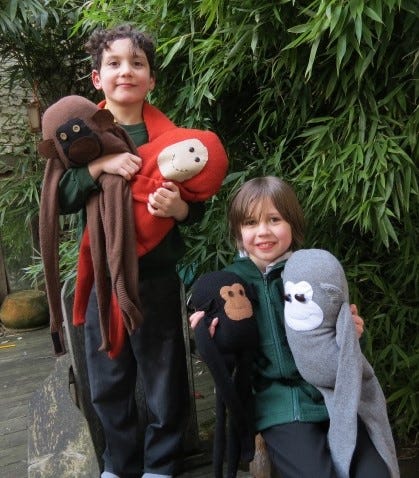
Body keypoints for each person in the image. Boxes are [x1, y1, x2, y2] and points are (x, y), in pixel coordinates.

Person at [58, 24, 206, 478]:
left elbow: (198, 205)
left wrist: (179, 207)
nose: (127, 71)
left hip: (156, 275)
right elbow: (60, 196)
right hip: (103, 275)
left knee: (163, 375)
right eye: (114, 63)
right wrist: (99, 166)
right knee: (107, 377)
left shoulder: (173, 138)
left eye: (137, 63)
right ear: (96, 79)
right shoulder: (80, 136)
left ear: (151, 79)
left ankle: (162, 463)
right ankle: (119, 464)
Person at [190, 176, 392, 478]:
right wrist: (205, 339)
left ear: (293, 225)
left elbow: (332, 329)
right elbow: (220, 351)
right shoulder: (231, 283)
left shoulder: (311, 270)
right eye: (250, 223)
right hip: (277, 404)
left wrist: (351, 332)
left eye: (274, 219)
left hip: (331, 394)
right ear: (237, 232)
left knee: (374, 472)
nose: (263, 232)